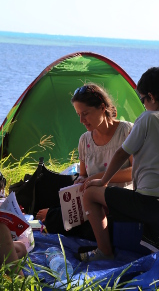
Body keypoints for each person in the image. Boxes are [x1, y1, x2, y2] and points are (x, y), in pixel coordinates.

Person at [79, 66, 159, 262]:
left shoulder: (148, 118)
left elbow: (121, 153)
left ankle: (105, 251)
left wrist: (103, 181)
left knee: (91, 194)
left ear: (151, 97)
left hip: (149, 203)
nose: (143, 105)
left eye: (143, 100)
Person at [35, 83, 133, 235]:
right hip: (92, 205)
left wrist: (99, 177)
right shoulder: (85, 140)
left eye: (85, 113)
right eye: (78, 114)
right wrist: (81, 180)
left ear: (102, 107)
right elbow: (83, 175)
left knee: (60, 221)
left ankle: (54, 217)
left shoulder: (127, 131)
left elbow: (135, 172)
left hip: (119, 202)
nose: (81, 120)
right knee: (68, 218)